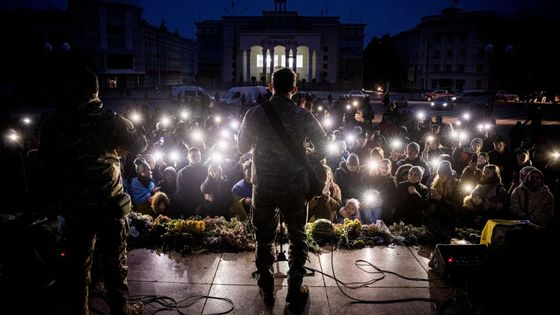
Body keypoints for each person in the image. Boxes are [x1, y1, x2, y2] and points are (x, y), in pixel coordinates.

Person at [39, 66, 146, 314]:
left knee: (77, 264)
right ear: (95, 91)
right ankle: (120, 309)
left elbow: (44, 166)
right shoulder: (108, 119)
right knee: (114, 264)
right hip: (108, 205)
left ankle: (80, 309)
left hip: (75, 208)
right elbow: (139, 143)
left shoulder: (53, 124)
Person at [237, 67, 328, 310]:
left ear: (270, 86)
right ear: (294, 90)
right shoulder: (303, 115)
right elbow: (325, 147)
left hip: (264, 187)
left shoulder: (254, 114)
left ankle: (267, 286)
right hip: (294, 187)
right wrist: (304, 154)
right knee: (297, 238)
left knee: (263, 238)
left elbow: (241, 146)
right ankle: (294, 289)